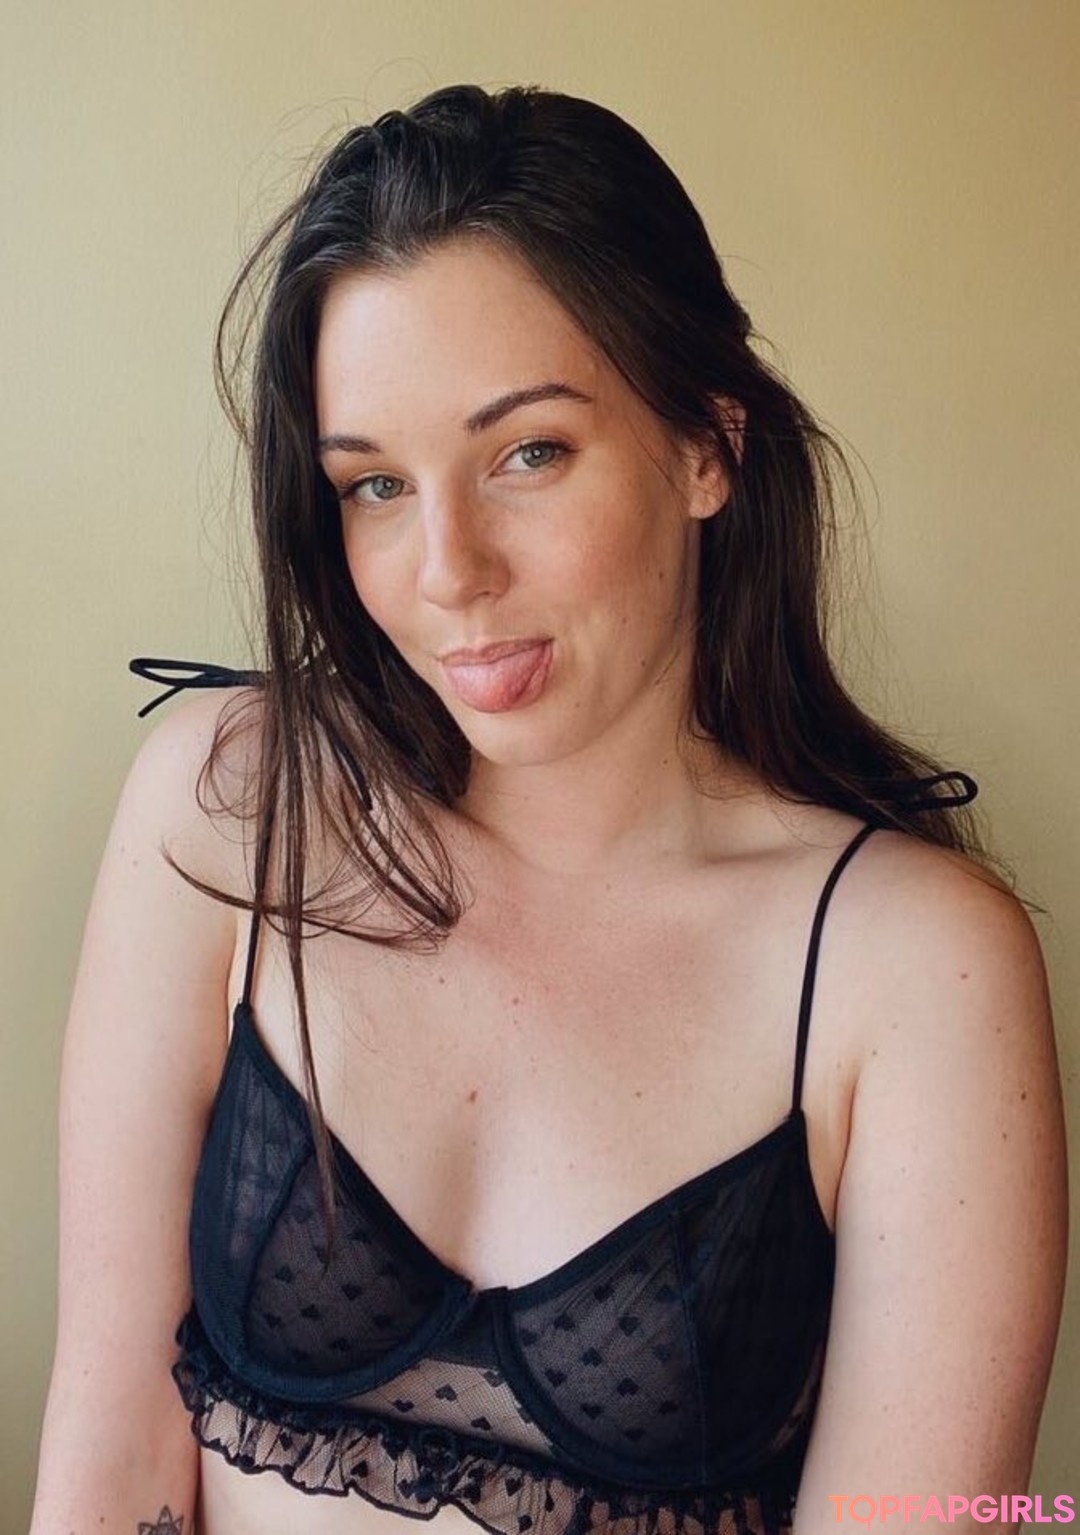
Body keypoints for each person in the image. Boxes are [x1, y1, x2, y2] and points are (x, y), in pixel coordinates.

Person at [31, 84, 1066, 1535]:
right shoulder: (224, 812)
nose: (447, 570)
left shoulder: (914, 968)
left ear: (706, 447)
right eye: (374, 485)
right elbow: (111, 1451)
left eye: (529, 454)